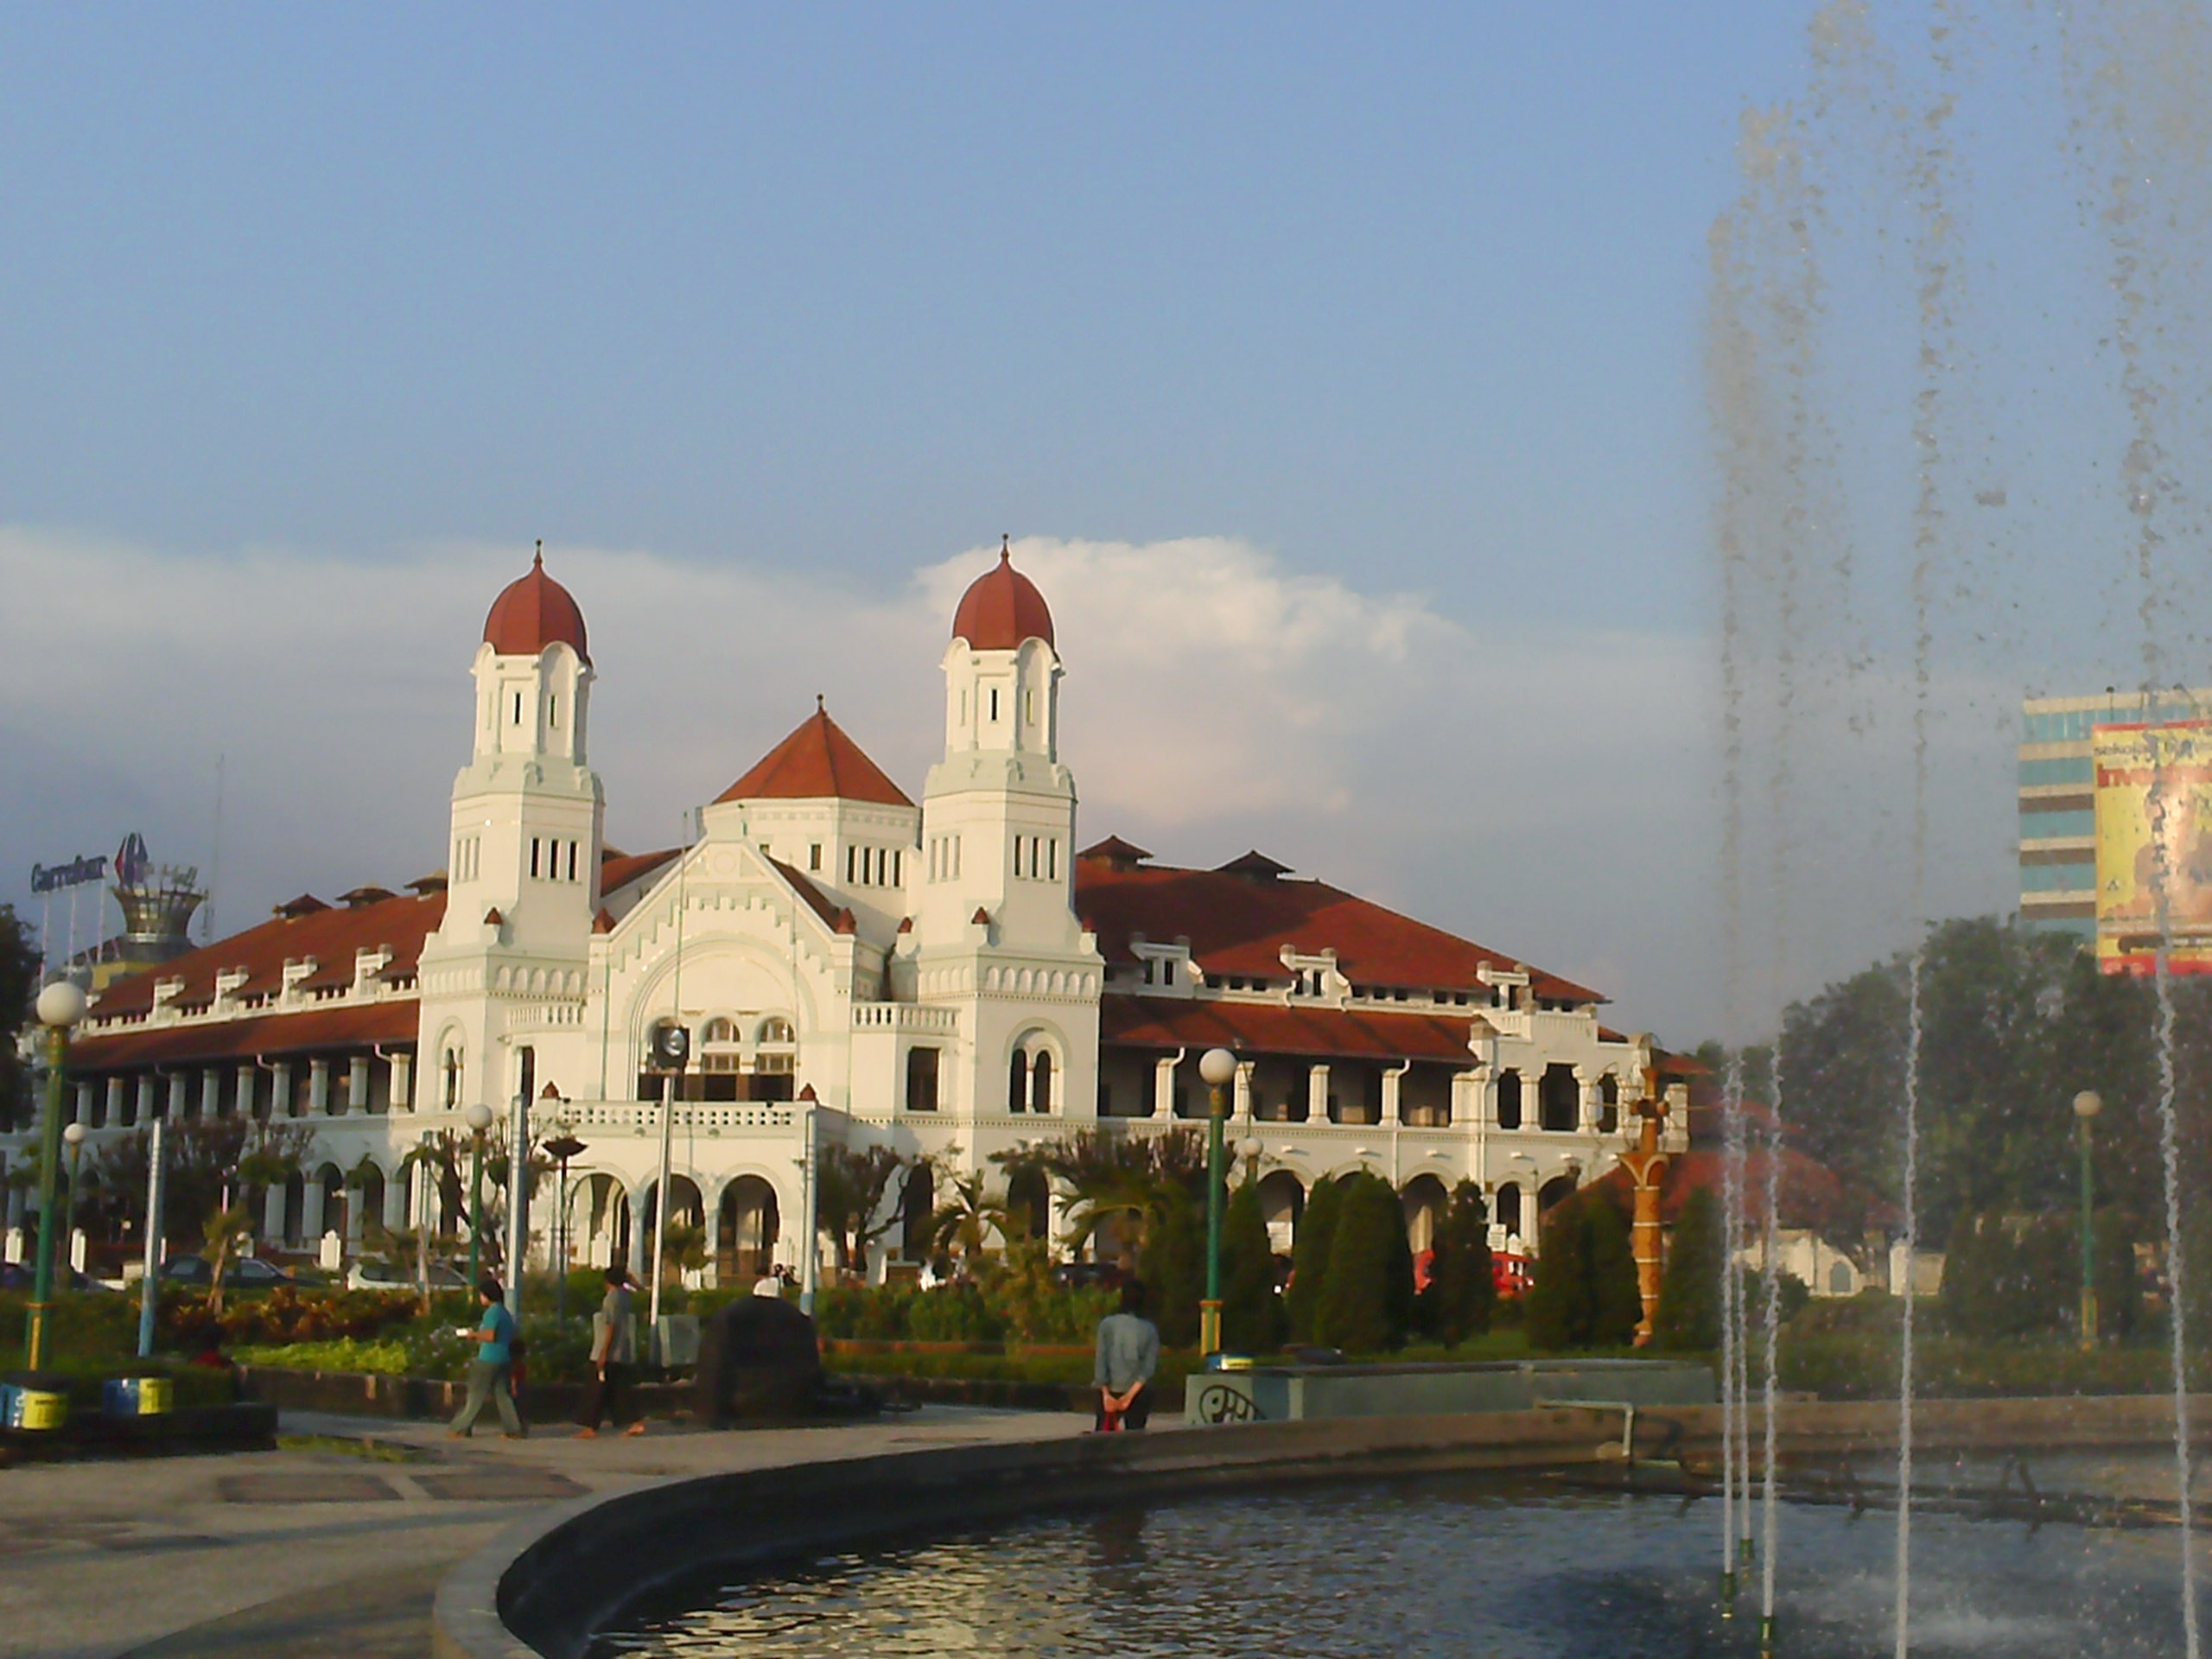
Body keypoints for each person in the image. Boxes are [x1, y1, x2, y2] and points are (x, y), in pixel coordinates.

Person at [448, 1278, 526, 1439]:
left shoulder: (492, 1313)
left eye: (481, 1295)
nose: (480, 1298)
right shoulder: (505, 1313)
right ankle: (513, 1429)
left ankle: (460, 1427)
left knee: (475, 1395)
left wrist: (473, 1335)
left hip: (488, 1358)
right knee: (503, 1396)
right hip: (503, 1358)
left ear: (487, 1295)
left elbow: (490, 1336)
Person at [576, 1265, 644, 1439]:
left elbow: (610, 1325)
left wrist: (604, 1351)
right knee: (618, 1390)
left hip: (607, 1349)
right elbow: (640, 1290)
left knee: (596, 1389)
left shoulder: (611, 1298)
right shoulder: (625, 1296)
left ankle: (590, 1426)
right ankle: (634, 1421)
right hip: (621, 1350)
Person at [1093, 1278, 1160, 1432]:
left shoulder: (1107, 1325)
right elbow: (1148, 1369)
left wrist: (1106, 1395)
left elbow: (1101, 1362)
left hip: (1110, 1390)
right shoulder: (1149, 1330)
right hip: (1139, 1393)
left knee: (1103, 1440)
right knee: (1135, 1436)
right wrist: (1129, 1397)